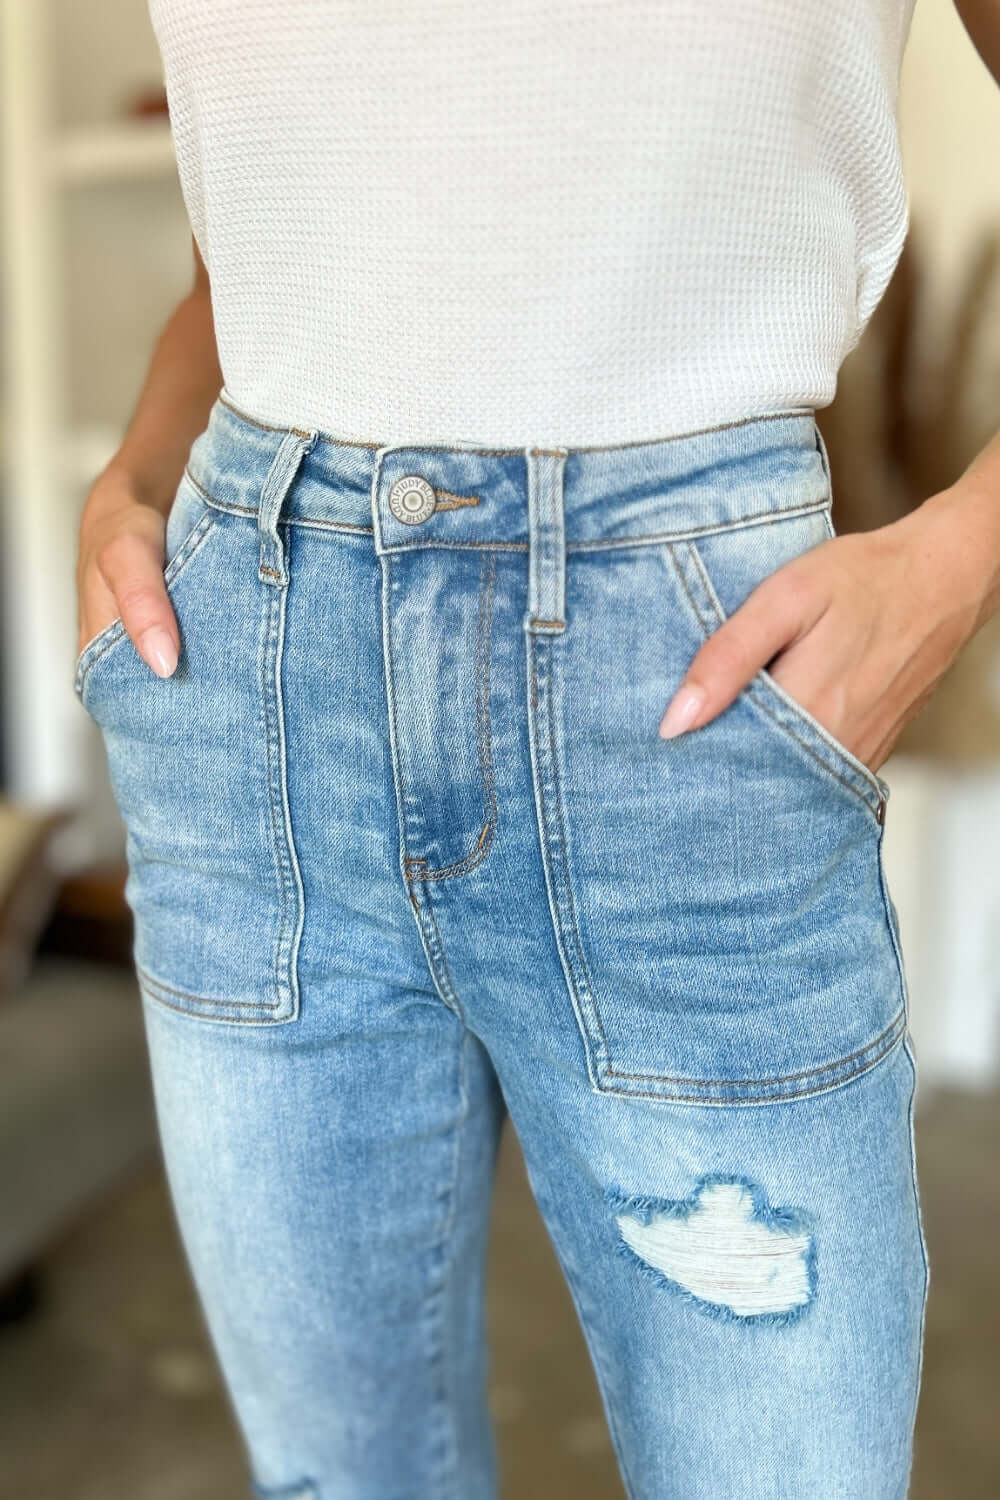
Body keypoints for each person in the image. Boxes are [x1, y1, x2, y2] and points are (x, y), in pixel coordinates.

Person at [73, 3, 999, 1496]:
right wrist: (136, 474)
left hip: (684, 700)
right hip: (254, 691)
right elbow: (256, 230)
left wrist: (959, 556)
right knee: (337, 1477)